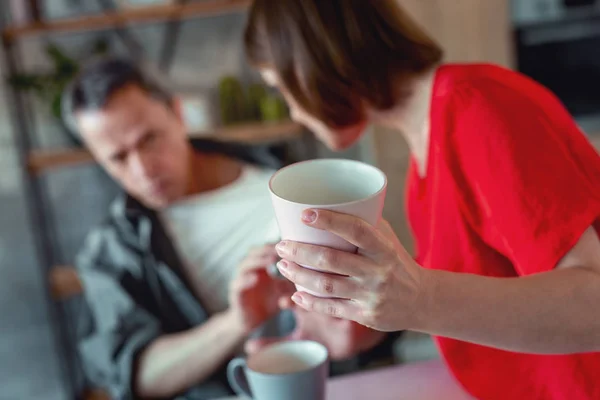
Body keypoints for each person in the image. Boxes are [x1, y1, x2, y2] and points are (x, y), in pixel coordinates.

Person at [244, 1, 600, 400]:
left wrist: (419, 300)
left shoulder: (478, 109)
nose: (293, 111)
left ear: (311, 59)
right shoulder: (427, 138)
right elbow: (481, 292)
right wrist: (361, 315)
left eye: (279, 87)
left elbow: (593, 304)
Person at [64, 58, 390, 399]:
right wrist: (236, 322)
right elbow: (136, 376)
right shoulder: (113, 250)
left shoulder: (287, 173)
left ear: (178, 113)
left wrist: (357, 326)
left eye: (149, 140)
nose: (144, 170)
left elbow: (381, 308)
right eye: (118, 158)